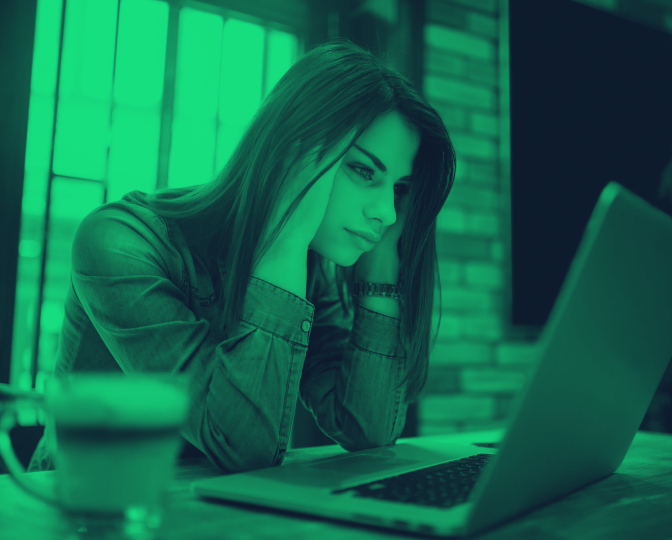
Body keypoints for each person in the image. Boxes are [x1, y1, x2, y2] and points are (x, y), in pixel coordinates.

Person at [26, 37, 456, 474]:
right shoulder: (119, 241)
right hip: (76, 505)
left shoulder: (311, 270)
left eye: (399, 190)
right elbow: (241, 447)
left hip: (206, 509)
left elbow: (368, 431)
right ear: (294, 151)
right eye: (364, 171)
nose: (386, 213)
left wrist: (382, 262)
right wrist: (283, 242)